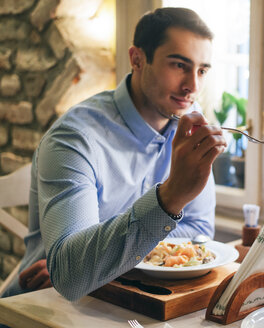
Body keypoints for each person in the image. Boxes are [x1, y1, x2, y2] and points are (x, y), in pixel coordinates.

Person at [1, 7, 226, 301]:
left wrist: (100, 264)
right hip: (44, 305)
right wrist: (167, 199)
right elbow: (71, 275)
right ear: (137, 59)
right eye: (179, 65)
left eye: (202, 70)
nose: (192, 86)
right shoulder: (74, 138)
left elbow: (197, 230)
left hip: (123, 299)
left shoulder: (190, 130)